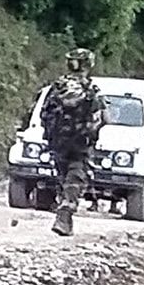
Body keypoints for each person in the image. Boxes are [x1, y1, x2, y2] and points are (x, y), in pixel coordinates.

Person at [39, 48, 105, 237]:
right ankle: (65, 213)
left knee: (63, 177)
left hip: (57, 142)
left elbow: (44, 113)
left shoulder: (57, 87)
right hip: (80, 143)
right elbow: (102, 117)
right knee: (76, 178)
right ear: (88, 65)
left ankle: (64, 214)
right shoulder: (90, 90)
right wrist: (91, 133)